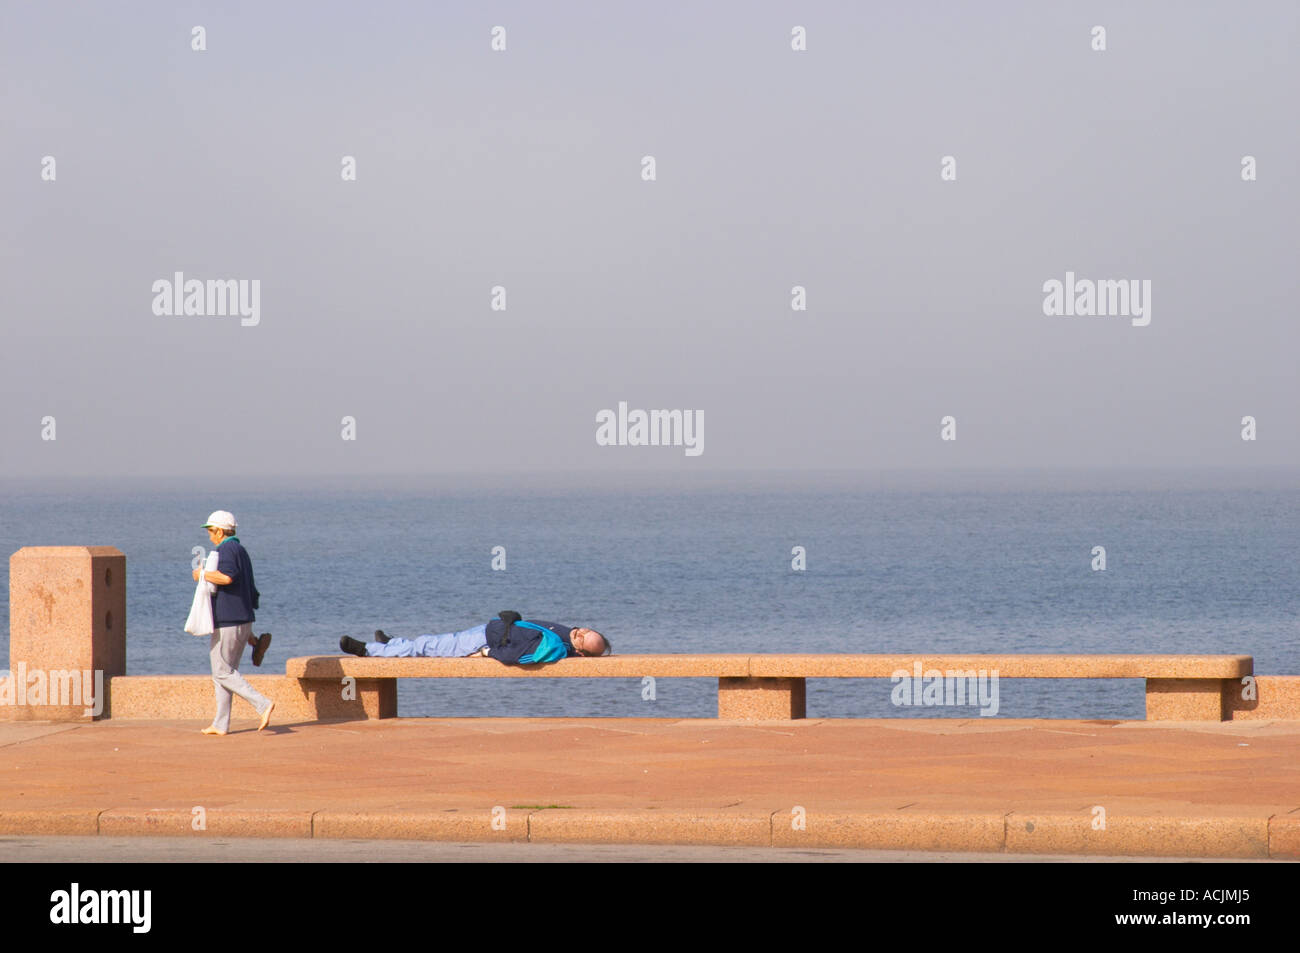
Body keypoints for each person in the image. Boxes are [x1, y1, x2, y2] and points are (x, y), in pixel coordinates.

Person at [193, 511, 275, 735]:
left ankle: (262, 704)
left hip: (228, 620)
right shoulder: (241, 550)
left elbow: (227, 577)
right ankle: (220, 724)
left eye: (211, 531)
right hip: (243, 618)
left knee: (222, 672)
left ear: (220, 531)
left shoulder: (226, 549)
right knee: (224, 673)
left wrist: (202, 574)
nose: (210, 537)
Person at [339, 612, 611, 663]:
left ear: (581, 653)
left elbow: (518, 656)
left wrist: (487, 653)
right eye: (587, 630)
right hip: (486, 631)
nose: (581, 632)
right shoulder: (566, 635)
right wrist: (512, 620)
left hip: (483, 642)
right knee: (432, 643)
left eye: (583, 639)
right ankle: (393, 644)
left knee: (429, 648)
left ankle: (367, 650)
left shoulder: (555, 647)